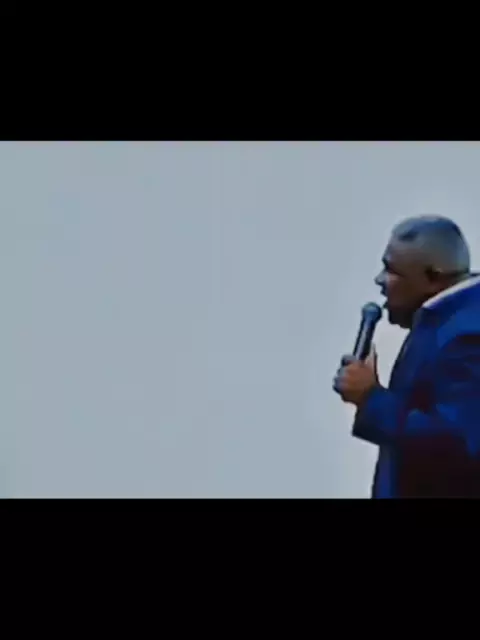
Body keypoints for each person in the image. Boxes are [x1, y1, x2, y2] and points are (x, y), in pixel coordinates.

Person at [333, 215, 480, 498]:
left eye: (391, 270)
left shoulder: (468, 338)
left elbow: (458, 444)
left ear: (432, 277)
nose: (380, 280)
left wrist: (371, 398)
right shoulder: (445, 318)